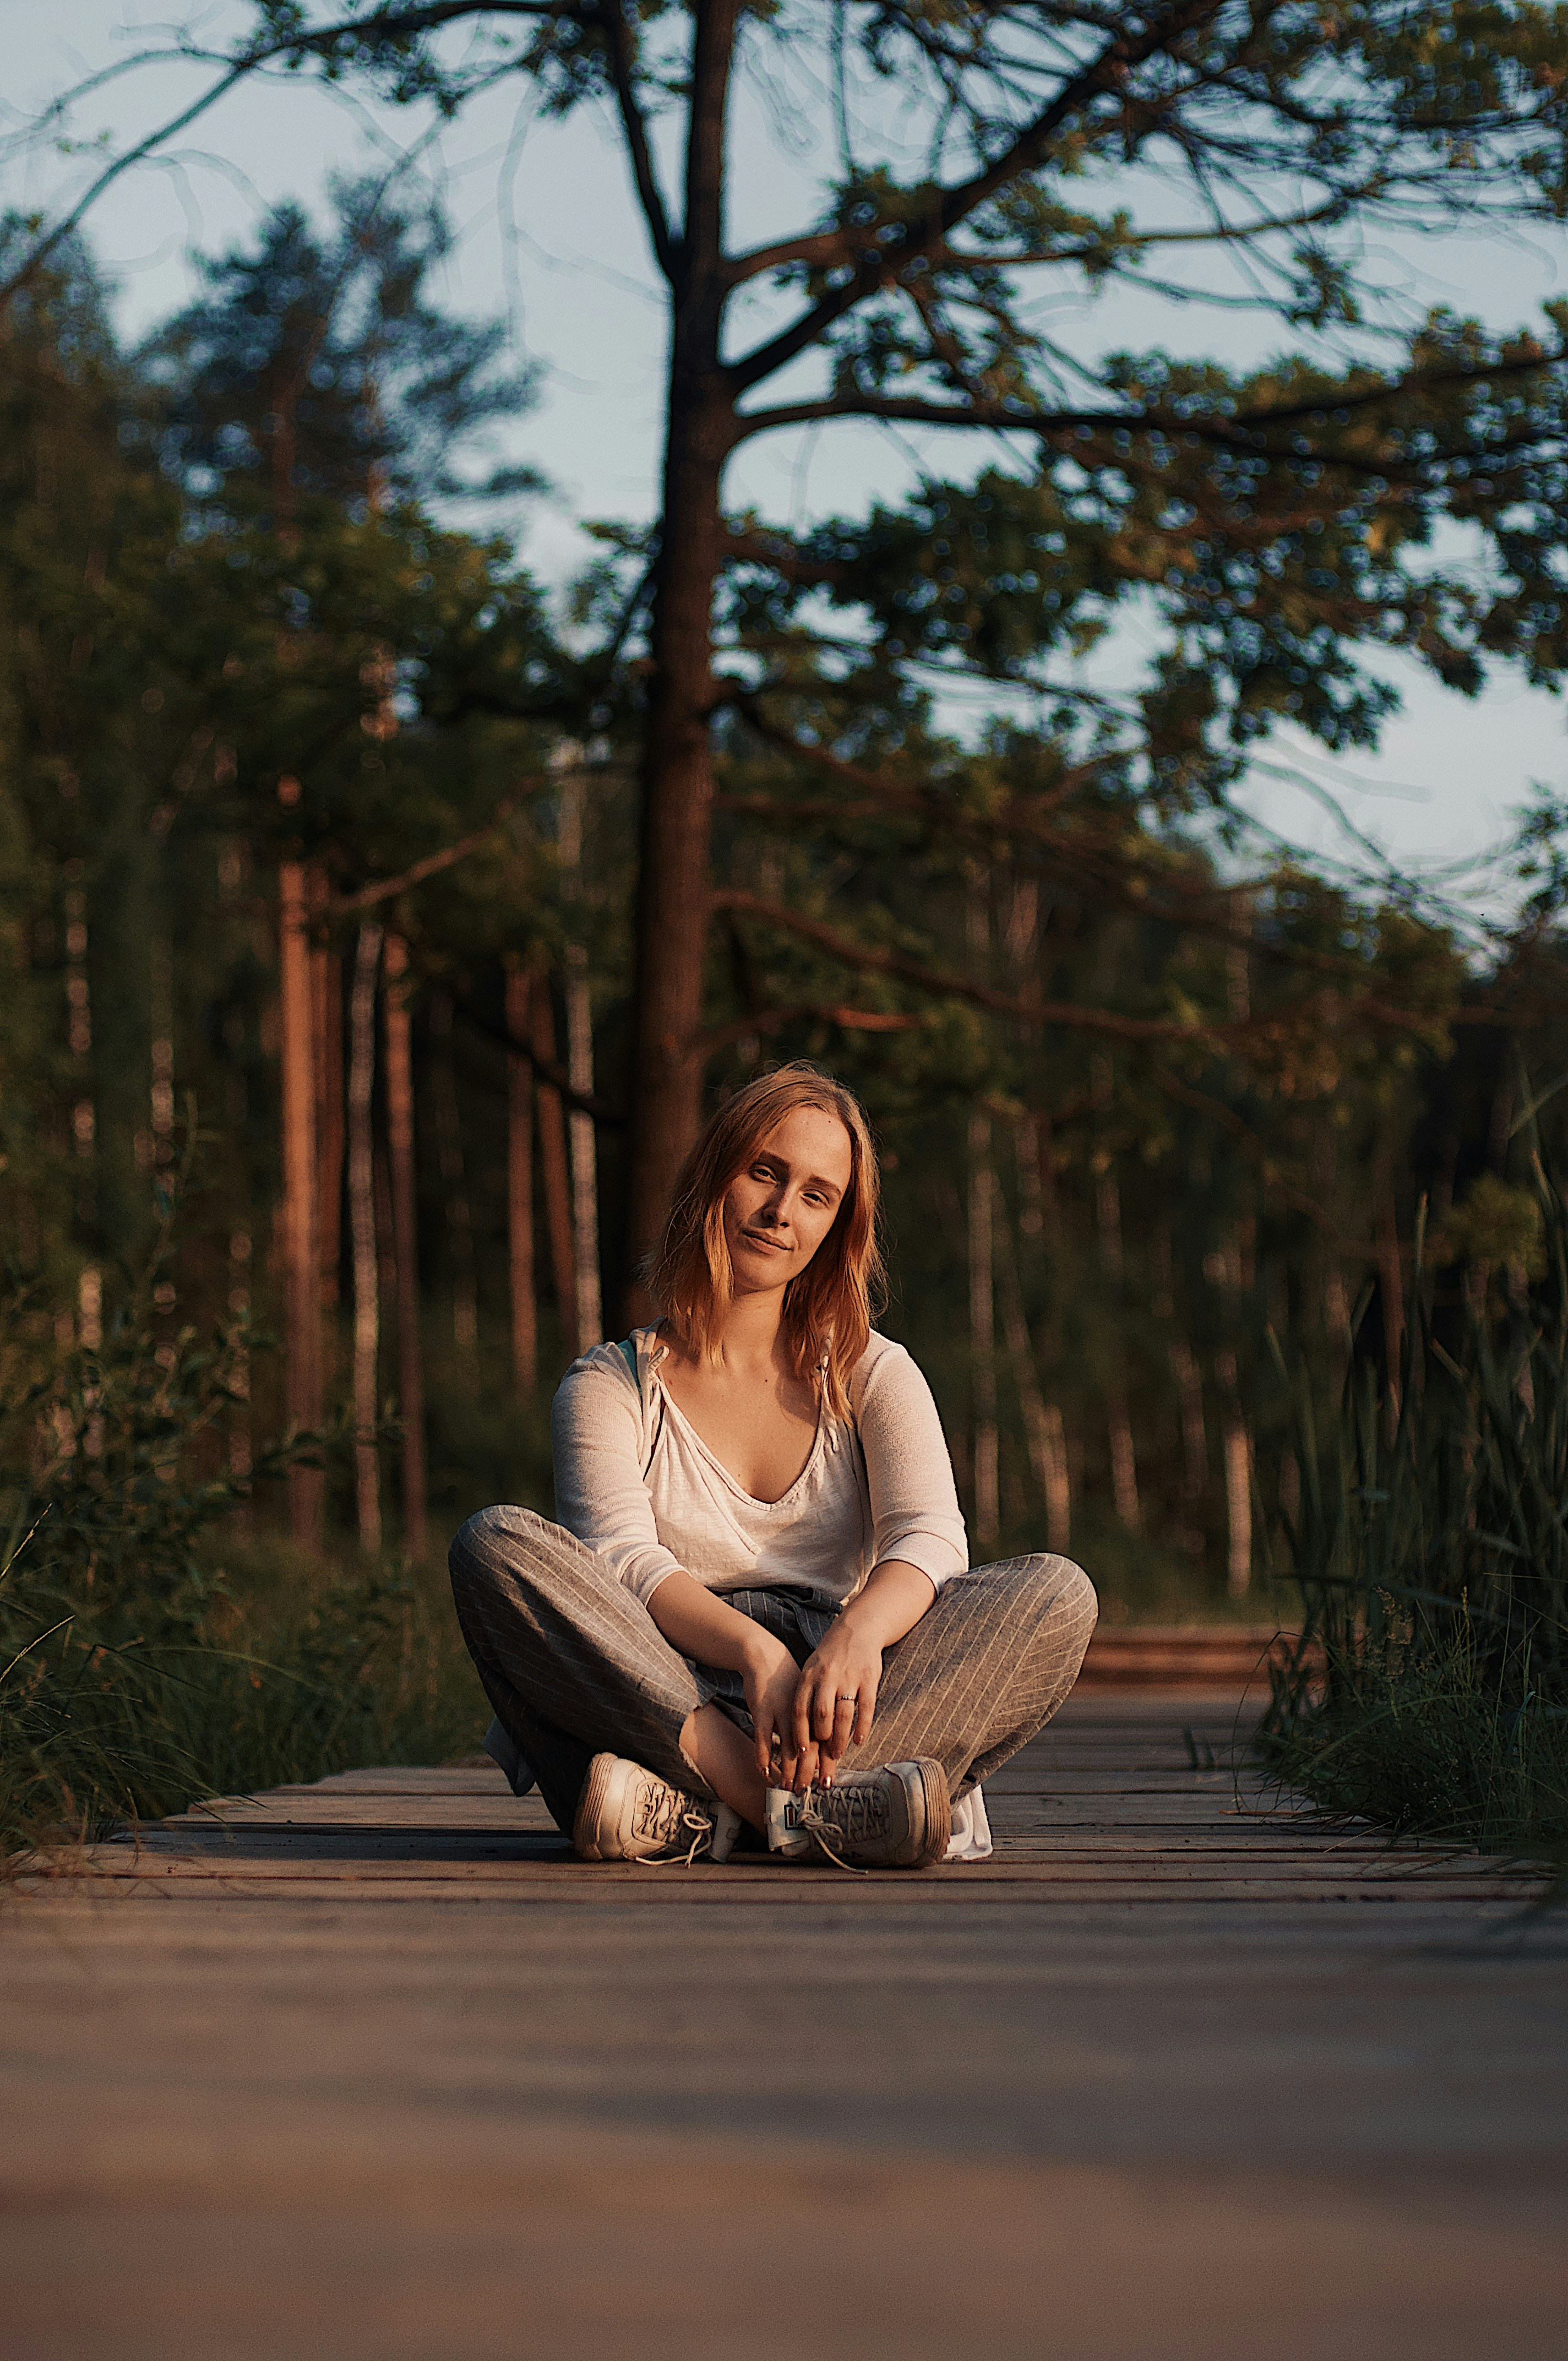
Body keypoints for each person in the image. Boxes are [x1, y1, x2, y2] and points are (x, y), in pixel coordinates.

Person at [449, 1063, 1096, 1869]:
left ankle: (697, 1816)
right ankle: (815, 1817)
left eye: (816, 1195)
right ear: (716, 1175)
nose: (781, 1212)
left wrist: (855, 1635)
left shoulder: (872, 1371)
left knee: (1057, 1593)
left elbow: (930, 1540)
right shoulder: (611, 1384)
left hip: (841, 1703)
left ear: (836, 1227)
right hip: (666, 1681)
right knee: (494, 1545)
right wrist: (757, 1654)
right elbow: (619, 1561)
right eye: (765, 1172)